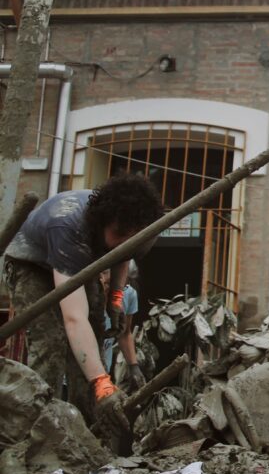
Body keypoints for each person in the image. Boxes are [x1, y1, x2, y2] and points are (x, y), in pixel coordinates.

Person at [3, 173, 163, 434]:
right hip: (32, 263)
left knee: (97, 331)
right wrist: (102, 383)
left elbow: (123, 253)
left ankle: (88, 429)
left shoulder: (132, 227)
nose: (124, 240)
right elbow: (74, 319)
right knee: (51, 342)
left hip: (80, 259)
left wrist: (115, 298)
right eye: (120, 234)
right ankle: (42, 430)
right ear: (103, 224)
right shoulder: (69, 228)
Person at [99, 261, 145, 391]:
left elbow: (124, 333)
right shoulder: (85, 294)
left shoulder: (127, 294)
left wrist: (133, 366)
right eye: (108, 283)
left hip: (102, 373)